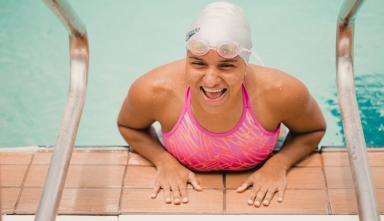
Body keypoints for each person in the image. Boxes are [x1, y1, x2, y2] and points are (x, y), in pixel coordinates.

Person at [117, 1, 326, 208]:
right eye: (198, 63)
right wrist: (163, 161)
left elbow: (312, 130)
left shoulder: (280, 92)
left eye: (226, 66)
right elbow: (129, 126)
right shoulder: (155, 90)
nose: (210, 80)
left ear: (245, 64)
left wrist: (279, 164)